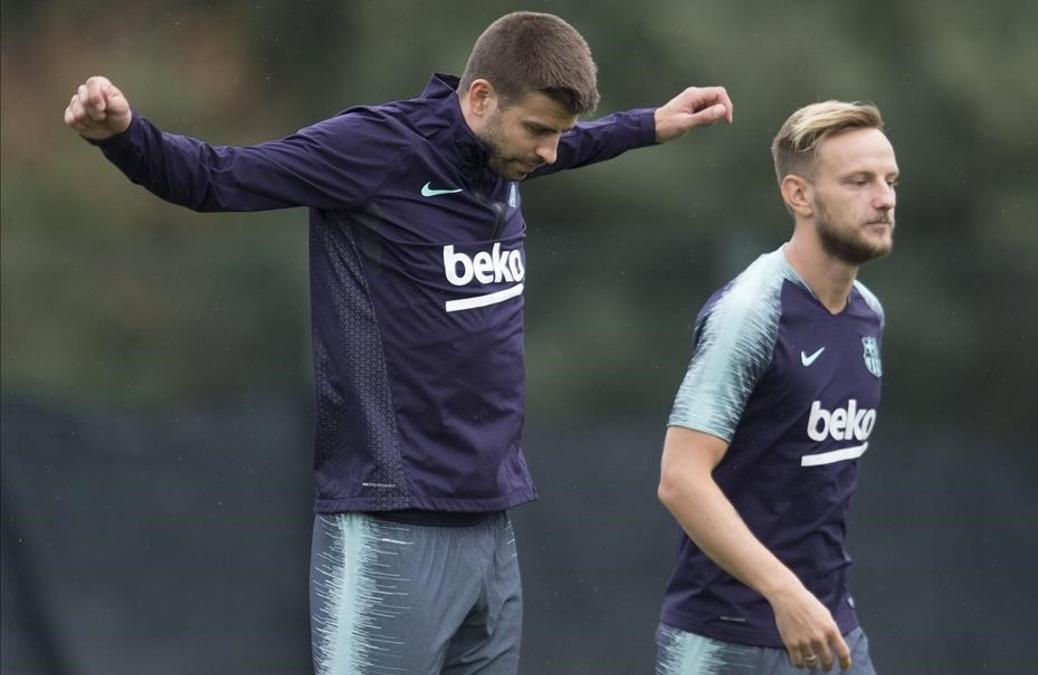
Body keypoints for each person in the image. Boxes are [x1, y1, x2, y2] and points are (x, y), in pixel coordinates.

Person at [63, 11, 732, 674]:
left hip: (491, 523)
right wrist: (125, 136)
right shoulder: (373, 150)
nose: (551, 151)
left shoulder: (509, 155)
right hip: (390, 517)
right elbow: (216, 177)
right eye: (538, 131)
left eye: (558, 134)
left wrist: (648, 124)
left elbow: (566, 143)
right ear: (479, 97)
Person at [654, 100, 897, 674]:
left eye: (890, 181)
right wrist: (784, 593)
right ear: (799, 195)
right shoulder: (751, 311)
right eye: (859, 181)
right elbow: (680, 479)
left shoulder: (868, 314)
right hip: (725, 642)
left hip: (830, 632)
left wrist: (807, 603)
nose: (884, 198)